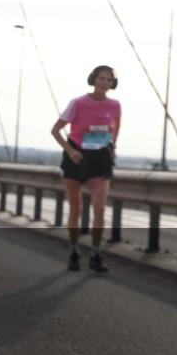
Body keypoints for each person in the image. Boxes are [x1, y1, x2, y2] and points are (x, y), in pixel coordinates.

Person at [51, 65, 121, 273]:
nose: (105, 82)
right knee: (76, 209)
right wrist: (70, 151)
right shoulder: (78, 103)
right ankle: (74, 251)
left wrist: (112, 146)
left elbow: (116, 127)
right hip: (76, 156)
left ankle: (96, 254)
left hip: (100, 159)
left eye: (109, 79)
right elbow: (55, 130)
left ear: (112, 84)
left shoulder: (115, 105)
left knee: (99, 208)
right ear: (93, 79)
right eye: (101, 78)